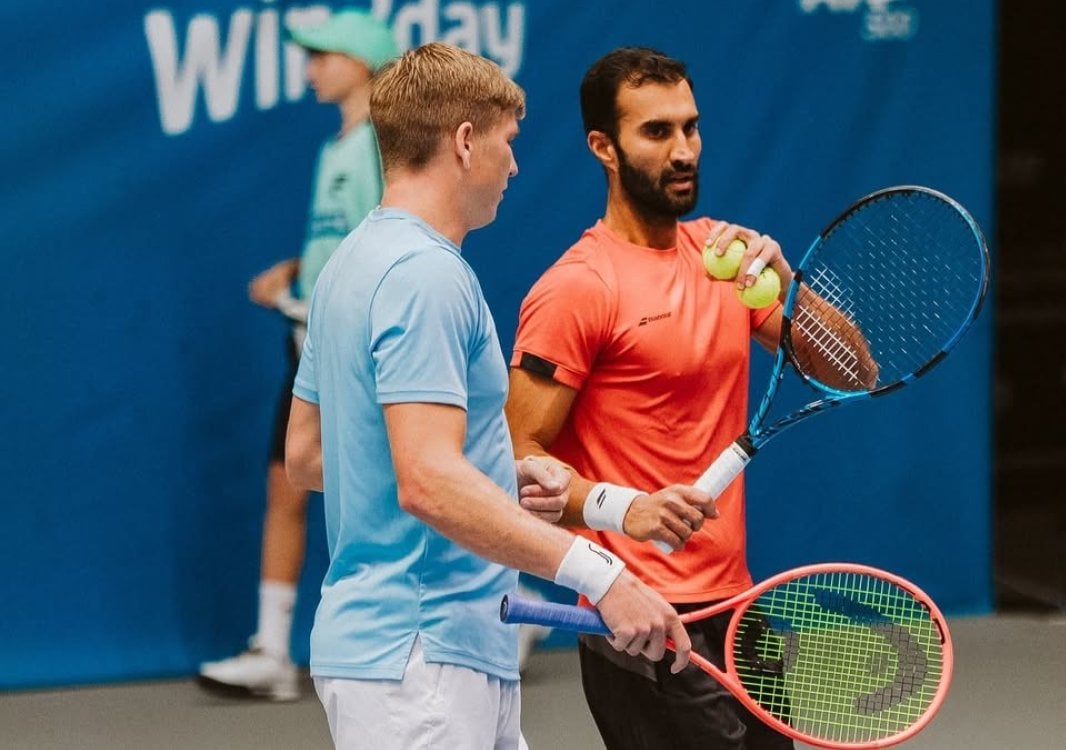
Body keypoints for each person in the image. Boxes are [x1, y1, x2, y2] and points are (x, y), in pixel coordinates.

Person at [283, 42, 699, 750]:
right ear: (465, 142)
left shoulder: (350, 265)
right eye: (508, 143)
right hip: (422, 663)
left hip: (413, 653)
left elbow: (312, 456)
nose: (515, 166)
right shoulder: (428, 277)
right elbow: (426, 482)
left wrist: (494, 473)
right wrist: (603, 575)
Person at [505, 47, 873, 750]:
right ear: (602, 148)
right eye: (657, 132)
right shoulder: (578, 288)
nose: (683, 151)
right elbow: (516, 461)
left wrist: (790, 282)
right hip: (639, 617)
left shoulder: (725, 261)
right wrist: (625, 508)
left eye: (691, 128)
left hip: (736, 607)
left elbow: (854, 371)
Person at [197, 9, 397, 702]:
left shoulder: (381, 145)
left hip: (356, 348)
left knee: (410, 488)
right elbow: (341, 241)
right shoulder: (336, 148)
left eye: (323, 56)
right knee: (286, 483)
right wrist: (297, 272)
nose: (310, 68)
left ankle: (500, 602)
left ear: (363, 62)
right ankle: (275, 652)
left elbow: (386, 242)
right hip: (310, 341)